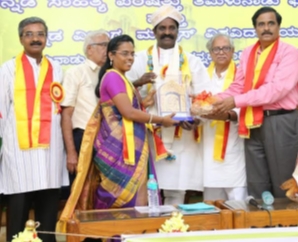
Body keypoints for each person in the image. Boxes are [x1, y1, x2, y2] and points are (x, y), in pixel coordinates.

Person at [57, 34, 178, 231]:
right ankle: (114, 235)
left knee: (136, 198)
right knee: (121, 197)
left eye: (132, 53)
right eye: (124, 53)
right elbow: (128, 112)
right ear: (111, 55)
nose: (130, 57)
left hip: (130, 146)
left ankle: (128, 234)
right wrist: (162, 120)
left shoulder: (123, 78)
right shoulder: (113, 77)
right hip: (117, 150)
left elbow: (133, 108)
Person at [126, 5, 210, 205]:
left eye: (171, 28)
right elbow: (122, 92)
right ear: (154, 31)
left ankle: (174, 229)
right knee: (147, 190)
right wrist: (138, 83)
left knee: (176, 191)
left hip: (183, 135)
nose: (167, 32)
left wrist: (197, 119)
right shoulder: (137, 60)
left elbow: (205, 97)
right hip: (148, 133)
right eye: (162, 28)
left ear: (177, 31)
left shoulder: (193, 61)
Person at [213, 7, 298, 198]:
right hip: (252, 122)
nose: (266, 28)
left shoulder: (290, 53)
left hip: (280, 122)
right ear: (255, 28)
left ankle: (288, 225)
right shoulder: (248, 53)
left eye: (271, 23)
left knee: (283, 183)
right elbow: (239, 86)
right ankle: (262, 225)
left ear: (278, 27)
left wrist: (235, 101)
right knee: (257, 183)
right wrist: (210, 102)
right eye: (261, 24)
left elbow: (276, 90)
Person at [0, 17, 68, 242]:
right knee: (18, 207)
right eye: (29, 34)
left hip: (50, 150)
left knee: (48, 209)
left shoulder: (56, 68)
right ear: (21, 39)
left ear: (46, 39)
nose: (35, 38)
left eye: (40, 34)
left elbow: (60, 108)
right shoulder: (8, 69)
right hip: (19, 151)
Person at [60, 30, 109, 199]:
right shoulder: (76, 73)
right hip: (83, 138)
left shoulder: (111, 74)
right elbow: (66, 115)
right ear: (89, 49)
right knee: (81, 192)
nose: (107, 50)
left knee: (103, 190)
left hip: (108, 139)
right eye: (103, 45)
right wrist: (71, 152)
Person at [201, 33, 247, 200]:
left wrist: (228, 114)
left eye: (225, 48)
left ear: (233, 51)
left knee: (238, 200)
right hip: (207, 142)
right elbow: (198, 104)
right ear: (210, 53)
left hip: (234, 141)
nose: (221, 52)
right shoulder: (202, 76)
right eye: (216, 49)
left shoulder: (241, 75)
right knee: (211, 204)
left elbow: (246, 103)